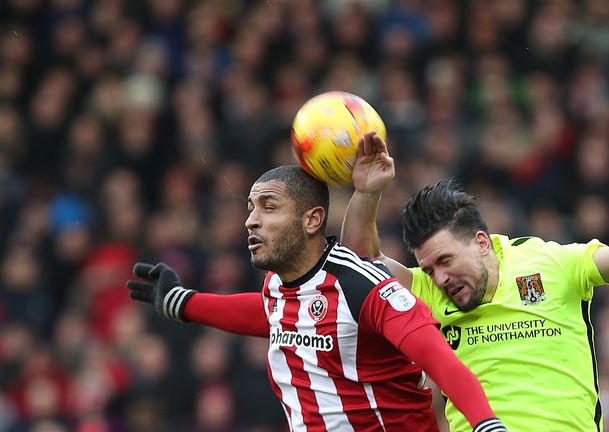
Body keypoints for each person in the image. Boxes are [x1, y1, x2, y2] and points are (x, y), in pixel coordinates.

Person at [341, 132, 609, 431]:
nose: (440, 277)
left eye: (445, 260)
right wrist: (368, 194)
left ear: (481, 242)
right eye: (429, 268)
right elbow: (359, 263)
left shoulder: (554, 263)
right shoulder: (427, 290)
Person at [126, 165, 507, 432]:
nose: (251, 220)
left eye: (268, 206)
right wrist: (183, 301)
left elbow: (441, 360)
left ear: (312, 220)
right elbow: (269, 314)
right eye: (250, 208)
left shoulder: (364, 287)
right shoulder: (279, 285)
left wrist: (487, 426)